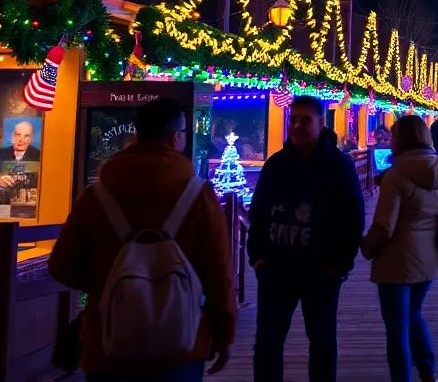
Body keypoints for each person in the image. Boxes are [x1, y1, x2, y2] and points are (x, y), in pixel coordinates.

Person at [48, 98, 235, 381]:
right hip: (180, 341)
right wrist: (224, 333)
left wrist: (109, 283)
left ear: (138, 135)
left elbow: (61, 265)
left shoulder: (97, 196)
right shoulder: (197, 195)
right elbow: (219, 272)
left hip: (107, 343)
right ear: (176, 138)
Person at [249, 96, 365, 382]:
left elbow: (353, 216)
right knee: (267, 341)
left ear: (321, 123)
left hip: (322, 271)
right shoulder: (276, 164)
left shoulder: (339, 166)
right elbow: (259, 211)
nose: (297, 125)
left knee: (323, 341)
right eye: (294, 119)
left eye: (305, 120)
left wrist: (340, 263)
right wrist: (258, 257)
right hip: (276, 269)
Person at [362, 114, 438, 382]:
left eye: (394, 136)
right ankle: (429, 372)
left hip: (397, 261)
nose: (390, 140)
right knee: (413, 315)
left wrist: (367, 247)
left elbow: (385, 226)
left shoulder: (396, 174)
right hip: (430, 255)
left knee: (397, 327)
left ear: (403, 139)